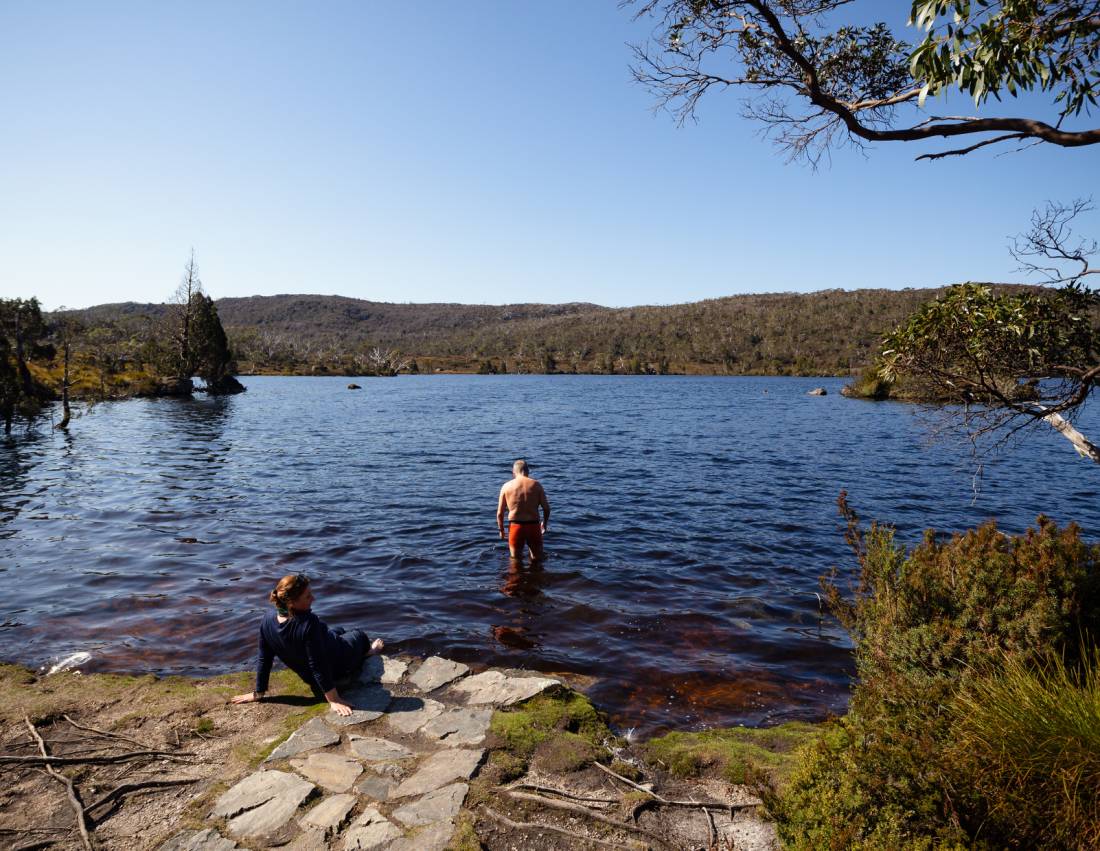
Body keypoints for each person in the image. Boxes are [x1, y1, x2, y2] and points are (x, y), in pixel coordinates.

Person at [230, 574, 383, 717]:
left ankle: (341, 638)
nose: (313, 598)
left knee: (337, 630)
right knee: (359, 634)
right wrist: (333, 699)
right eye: (308, 596)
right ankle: (369, 652)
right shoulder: (309, 623)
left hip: (317, 663)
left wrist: (259, 692)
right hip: (339, 663)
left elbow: (264, 658)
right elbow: (317, 664)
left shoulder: (267, 619)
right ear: (291, 602)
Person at [497, 459, 551, 562]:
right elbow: (546, 508)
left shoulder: (506, 486)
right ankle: (537, 577)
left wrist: (501, 530)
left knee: (515, 561)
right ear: (528, 471)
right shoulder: (536, 485)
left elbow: (500, 513)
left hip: (516, 527)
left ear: (513, 472)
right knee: (537, 560)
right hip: (534, 526)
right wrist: (544, 524)